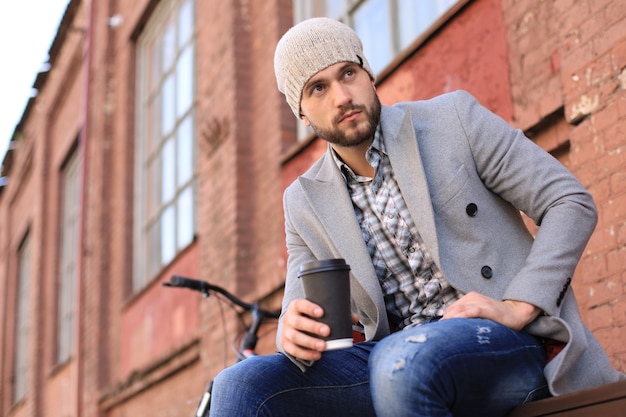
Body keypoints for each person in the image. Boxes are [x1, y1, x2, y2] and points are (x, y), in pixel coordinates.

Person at [209, 17, 624, 417]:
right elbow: (300, 298)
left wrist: (518, 305)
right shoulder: (303, 201)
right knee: (238, 386)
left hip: (500, 341)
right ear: (302, 114)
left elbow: (569, 201)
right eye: (318, 88)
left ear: (369, 74)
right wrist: (290, 327)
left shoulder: (453, 120)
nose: (341, 96)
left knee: (401, 360)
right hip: (390, 363)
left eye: (348, 73)